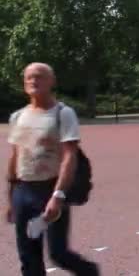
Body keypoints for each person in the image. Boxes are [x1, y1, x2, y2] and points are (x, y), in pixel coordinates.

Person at [5, 63, 100, 276]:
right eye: (28, 77)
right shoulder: (17, 117)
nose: (33, 81)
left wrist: (58, 195)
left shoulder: (63, 114)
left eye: (39, 76)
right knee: (28, 257)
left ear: (52, 82)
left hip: (50, 189)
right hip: (23, 191)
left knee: (58, 253)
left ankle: (90, 272)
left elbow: (69, 156)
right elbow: (15, 156)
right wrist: (11, 197)